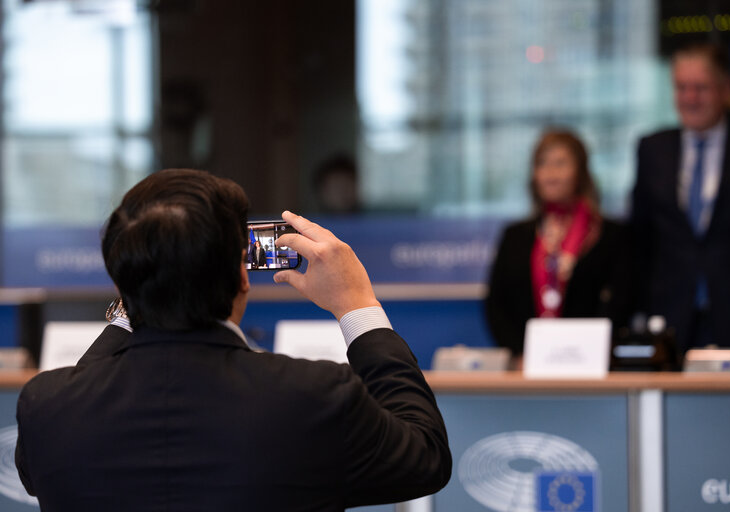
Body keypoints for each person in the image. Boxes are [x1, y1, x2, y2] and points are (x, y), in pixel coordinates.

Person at [15, 169, 451, 511]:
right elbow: (425, 458)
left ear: (120, 276)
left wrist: (143, 295)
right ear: (243, 275)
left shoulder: (48, 408)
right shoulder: (313, 398)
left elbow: (80, 395)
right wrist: (358, 306)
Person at [631, 43, 730, 352]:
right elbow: (640, 240)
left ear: (726, 89)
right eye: (681, 88)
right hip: (670, 323)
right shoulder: (653, 149)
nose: (690, 99)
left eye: (701, 88)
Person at [485, 130, 630, 356]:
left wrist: (590, 353)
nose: (550, 173)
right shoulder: (515, 237)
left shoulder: (611, 236)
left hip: (592, 367)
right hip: (526, 368)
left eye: (561, 163)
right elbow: (496, 307)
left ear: (580, 172)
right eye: (542, 163)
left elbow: (622, 304)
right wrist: (521, 354)